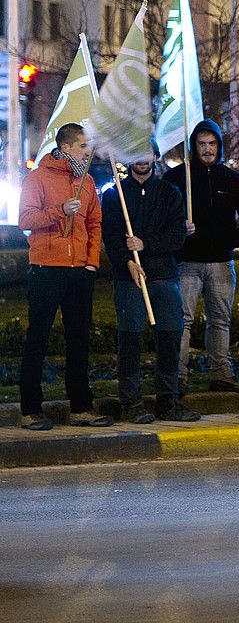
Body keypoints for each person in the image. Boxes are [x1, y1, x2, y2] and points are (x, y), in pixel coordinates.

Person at [17, 124, 113, 431]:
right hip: (46, 268)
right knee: (38, 339)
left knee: (78, 340)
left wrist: (91, 262)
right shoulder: (38, 177)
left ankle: (81, 407)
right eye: (83, 145)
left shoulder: (87, 183)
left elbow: (95, 224)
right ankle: (30, 409)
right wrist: (59, 210)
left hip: (79, 272)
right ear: (67, 147)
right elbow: (25, 219)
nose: (89, 151)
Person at [102, 140, 200, 423]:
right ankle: (131, 403)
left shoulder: (170, 193)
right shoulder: (114, 196)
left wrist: (145, 245)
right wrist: (128, 261)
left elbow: (176, 236)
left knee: (169, 338)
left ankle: (168, 402)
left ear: (156, 157)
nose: (141, 159)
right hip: (129, 278)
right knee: (130, 339)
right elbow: (110, 237)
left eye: (147, 153)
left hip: (163, 277)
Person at [163, 119, 239, 395]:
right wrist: (179, 232)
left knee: (220, 320)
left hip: (221, 263)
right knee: (183, 321)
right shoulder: (177, 178)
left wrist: (234, 241)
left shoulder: (232, 179)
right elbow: (163, 219)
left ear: (219, 146)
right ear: (193, 146)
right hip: (187, 262)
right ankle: (178, 375)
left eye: (212, 143)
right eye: (201, 144)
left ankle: (221, 374)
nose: (207, 149)